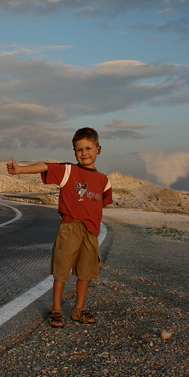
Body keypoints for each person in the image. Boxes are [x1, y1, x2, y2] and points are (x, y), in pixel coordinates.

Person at [7, 127, 112, 328]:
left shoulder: (104, 181)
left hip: (91, 232)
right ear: (74, 152)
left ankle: (78, 309)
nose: (84, 153)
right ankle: (56, 309)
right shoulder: (69, 171)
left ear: (98, 149)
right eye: (79, 149)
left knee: (85, 272)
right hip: (70, 227)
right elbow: (45, 166)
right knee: (61, 269)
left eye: (88, 148)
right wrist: (20, 169)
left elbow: (102, 202)